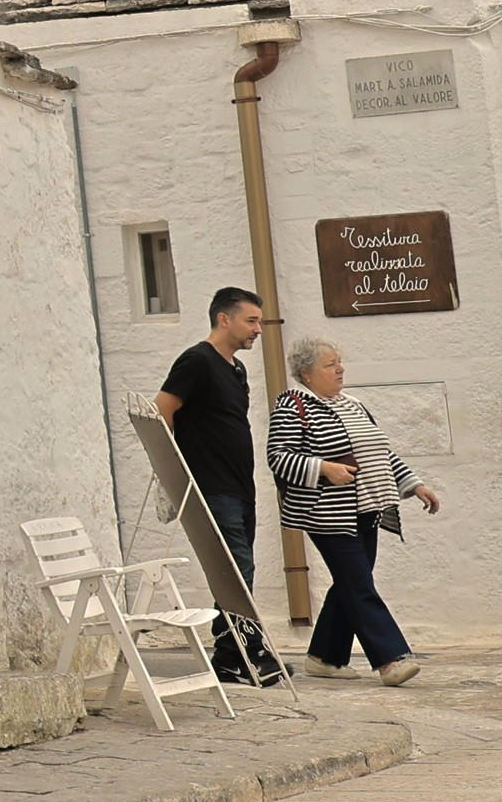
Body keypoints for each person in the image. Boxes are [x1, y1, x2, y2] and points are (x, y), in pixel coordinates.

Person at [268, 341, 438, 686]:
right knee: (358, 584)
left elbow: (381, 454)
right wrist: (324, 468)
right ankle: (391, 659)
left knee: (350, 582)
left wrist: (414, 485)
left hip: (368, 507)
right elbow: (279, 456)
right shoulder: (294, 405)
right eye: (330, 365)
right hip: (327, 513)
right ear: (307, 375)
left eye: (340, 362)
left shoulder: (354, 405)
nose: (340, 369)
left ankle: (324, 658)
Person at [156, 288, 281, 683]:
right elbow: (161, 410)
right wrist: (178, 472)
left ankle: (234, 656)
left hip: (240, 487)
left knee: (242, 569)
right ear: (224, 319)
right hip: (212, 486)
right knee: (235, 569)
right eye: (251, 320)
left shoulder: (235, 369)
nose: (258, 329)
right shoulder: (197, 361)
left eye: (259, 321)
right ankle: (239, 655)